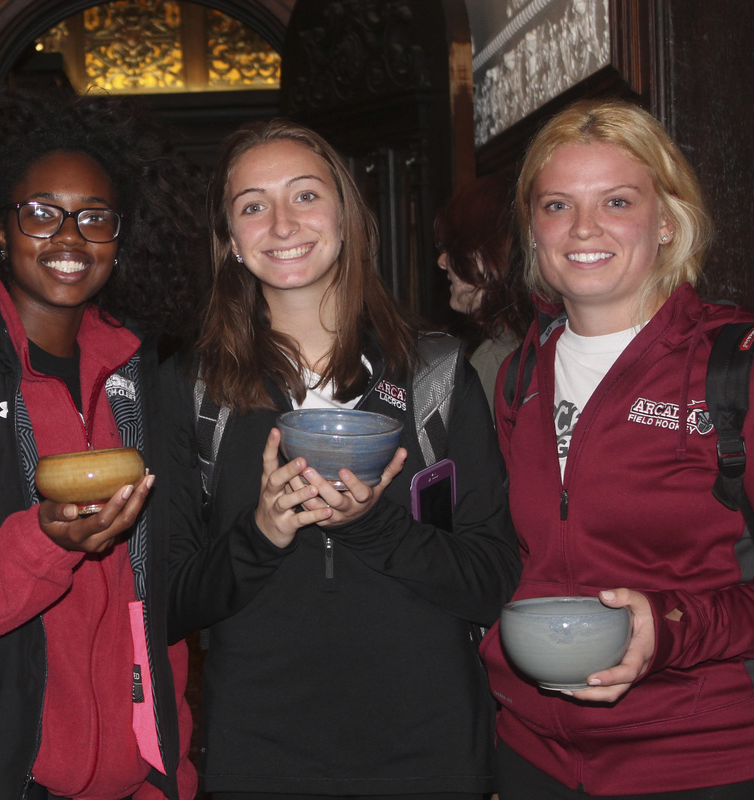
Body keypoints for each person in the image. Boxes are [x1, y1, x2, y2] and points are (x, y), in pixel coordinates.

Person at [162, 118, 520, 799]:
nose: (281, 223)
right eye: (252, 206)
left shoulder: (434, 375)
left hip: (431, 750)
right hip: (260, 752)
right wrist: (260, 535)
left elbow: (492, 578)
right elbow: (169, 603)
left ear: (346, 217)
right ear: (231, 242)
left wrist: (371, 524)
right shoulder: (192, 388)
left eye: (304, 195)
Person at [0, 90, 202, 800]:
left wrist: (168, 769)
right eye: (42, 213)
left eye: (95, 218)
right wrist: (48, 544)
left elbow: (156, 596)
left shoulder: (139, 370)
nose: (70, 238)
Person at [485, 97, 754, 799]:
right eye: (556, 206)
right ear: (534, 230)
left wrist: (668, 628)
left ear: (666, 220)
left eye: (616, 201)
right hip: (531, 756)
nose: (583, 229)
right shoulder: (519, 376)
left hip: (699, 759)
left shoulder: (735, 365)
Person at [434, 173, 532, 411]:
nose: (442, 261)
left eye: (455, 250)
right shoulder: (539, 339)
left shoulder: (496, 360)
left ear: (490, 255)